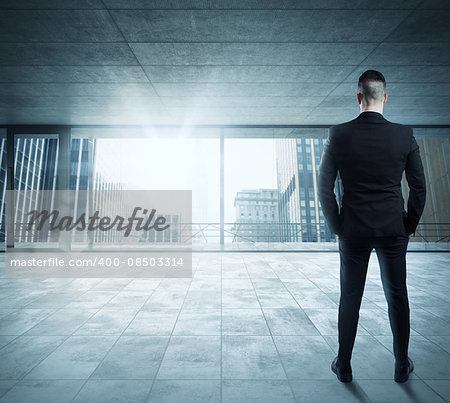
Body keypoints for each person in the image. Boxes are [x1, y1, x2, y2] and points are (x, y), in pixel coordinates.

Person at [318, 70, 426, 383]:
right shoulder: (404, 135)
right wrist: (408, 224)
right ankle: (401, 366)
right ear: (385, 98)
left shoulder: (338, 134)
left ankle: (345, 365)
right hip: (393, 229)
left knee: (350, 296)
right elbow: (419, 187)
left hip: (353, 229)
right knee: (398, 297)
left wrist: (338, 224)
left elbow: (324, 186)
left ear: (358, 97)